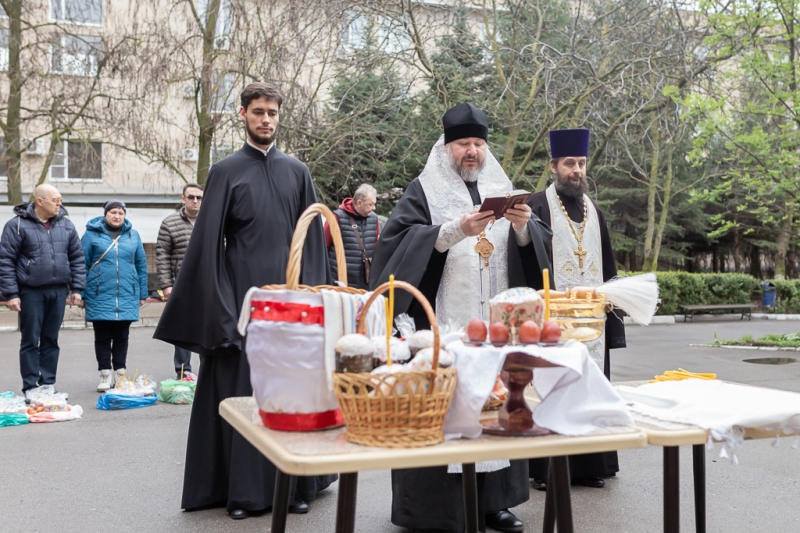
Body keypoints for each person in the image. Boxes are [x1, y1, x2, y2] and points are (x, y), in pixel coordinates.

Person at [153, 82, 335, 520]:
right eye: (258, 112)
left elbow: (312, 240)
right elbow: (206, 245)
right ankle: (244, 492)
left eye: (272, 112)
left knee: (289, 394)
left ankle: (292, 488)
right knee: (243, 394)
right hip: (242, 307)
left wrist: (313, 301)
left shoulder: (297, 171)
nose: (266, 120)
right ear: (243, 115)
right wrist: (222, 311)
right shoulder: (226, 170)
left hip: (289, 303)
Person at [370, 103, 553, 533]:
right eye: (463, 144)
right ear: (447, 146)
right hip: (444, 323)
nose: (471, 152)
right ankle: (437, 508)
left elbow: (534, 247)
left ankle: (496, 503)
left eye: (478, 143)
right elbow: (396, 247)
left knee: (497, 403)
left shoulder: (500, 183)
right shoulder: (423, 189)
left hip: (493, 325)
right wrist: (454, 230)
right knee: (447, 405)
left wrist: (526, 227)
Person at [526, 128, 626, 490]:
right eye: (570, 163)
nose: (577, 170)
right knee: (553, 387)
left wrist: (612, 315)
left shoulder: (593, 208)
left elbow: (608, 266)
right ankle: (544, 468)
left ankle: (588, 466)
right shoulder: (537, 205)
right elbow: (524, 258)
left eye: (581, 164)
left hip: (591, 320)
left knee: (591, 385)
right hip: (553, 320)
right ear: (553, 166)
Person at [0, 184, 85, 397]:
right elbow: (6, 261)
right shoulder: (16, 225)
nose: (60, 204)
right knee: (30, 339)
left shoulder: (65, 225)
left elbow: (77, 258)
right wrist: (11, 294)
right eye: (56, 200)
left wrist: (77, 288)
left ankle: (47, 384)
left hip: (58, 291)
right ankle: (30, 386)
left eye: (61, 200)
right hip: (30, 292)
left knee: (51, 339)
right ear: (40, 201)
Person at [81, 200, 148, 391]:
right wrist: (81, 292)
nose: (117, 216)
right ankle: (104, 375)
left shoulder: (133, 236)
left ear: (124, 215)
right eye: (113, 212)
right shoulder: (91, 235)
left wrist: (142, 293)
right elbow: (81, 264)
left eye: (120, 212)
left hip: (127, 294)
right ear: (105, 214)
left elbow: (141, 266)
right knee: (101, 336)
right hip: (99, 293)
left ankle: (120, 374)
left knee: (122, 336)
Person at [156, 182, 203, 378]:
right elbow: (162, 255)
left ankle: (208, 373)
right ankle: (183, 373)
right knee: (183, 330)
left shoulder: (212, 221)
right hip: (181, 285)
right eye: (191, 197)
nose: (195, 201)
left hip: (208, 285)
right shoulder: (170, 223)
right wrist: (166, 285)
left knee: (207, 328)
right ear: (183, 199)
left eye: (199, 197)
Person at [322, 183, 380, 289]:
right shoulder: (336, 218)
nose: (374, 208)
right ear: (359, 203)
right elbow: (322, 247)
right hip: (341, 284)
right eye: (370, 204)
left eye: (374, 204)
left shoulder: (374, 219)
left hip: (365, 284)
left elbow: (376, 247)